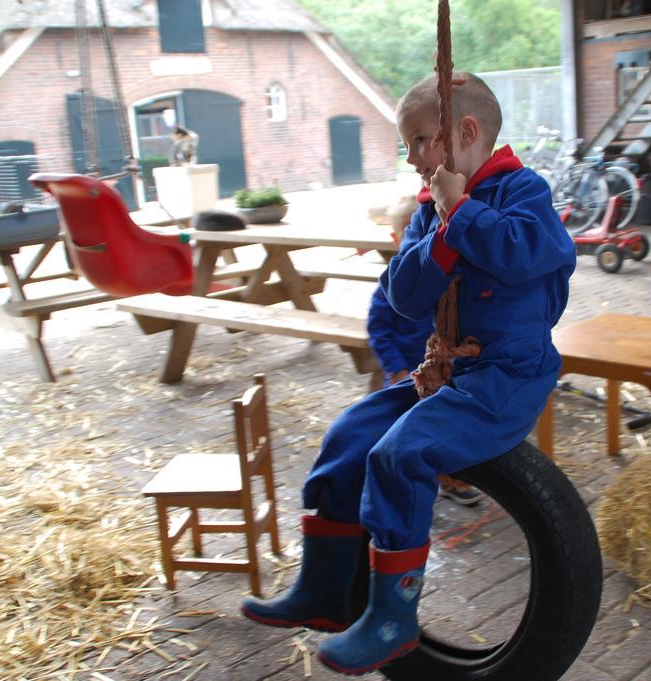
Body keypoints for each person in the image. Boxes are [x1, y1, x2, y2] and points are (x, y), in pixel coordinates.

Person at [241, 72, 575, 675]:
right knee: (350, 435)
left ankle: (394, 619)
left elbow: (532, 255)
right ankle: (324, 589)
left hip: (507, 376)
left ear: (465, 132)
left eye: (422, 141)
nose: (415, 158)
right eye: (409, 146)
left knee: (400, 455)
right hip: (443, 370)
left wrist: (462, 213)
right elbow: (403, 297)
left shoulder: (524, 191)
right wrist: (441, 236)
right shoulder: (429, 211)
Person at [367, 284, 485, 507]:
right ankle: (406, 484)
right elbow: (378, 331)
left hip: (444, 370)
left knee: (448, 426)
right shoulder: (393, 286)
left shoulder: (452, 285)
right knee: (403, 430)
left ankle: (450, 479)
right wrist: (397, 368)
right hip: (406, 373)